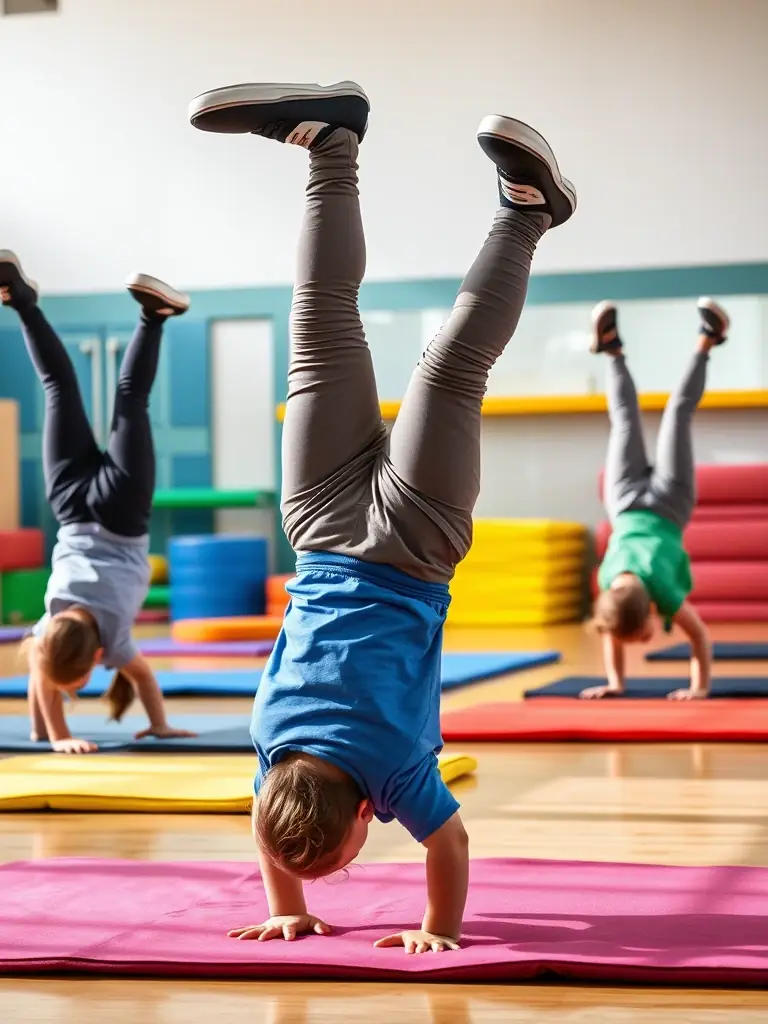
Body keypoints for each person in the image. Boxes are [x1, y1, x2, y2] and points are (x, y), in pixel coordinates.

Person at [188, 79, 576, 953]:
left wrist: (437, 930)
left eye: (345, 862)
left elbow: (451, 842)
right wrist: (286, 900)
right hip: (343, 531)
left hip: (378, 541)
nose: (354, 866)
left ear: (365, 815)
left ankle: (350, 145)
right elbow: (266, 819)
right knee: (414, 355)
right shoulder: (271, 750)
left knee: (420, 354)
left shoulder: (395, 775)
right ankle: (512, 204)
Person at [0, 251, 198, 752]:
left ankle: (152, 316)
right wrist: (47, 734)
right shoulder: (51, 623)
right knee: (59, 390)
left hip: (121, 510)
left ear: (95, 660)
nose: (70, 689)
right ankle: (20, 301)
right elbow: (44, 675)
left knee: (129, 399)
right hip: (70, 505)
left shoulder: (114, 640)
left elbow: (140, 680)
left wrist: (56, 736)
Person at [584, 297, 730, 701]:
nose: (641, 641)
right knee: (674, 414)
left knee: (631, 417)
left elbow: (698, 635)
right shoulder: (613, 594)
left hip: (626, 500)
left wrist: (699, 689)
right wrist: (616, 684)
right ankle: (707, 340)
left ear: (650, 608)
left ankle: (612, 347)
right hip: (669, 501)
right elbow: (614, 630)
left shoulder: (658, 593)